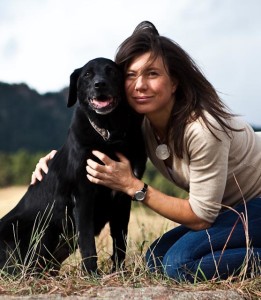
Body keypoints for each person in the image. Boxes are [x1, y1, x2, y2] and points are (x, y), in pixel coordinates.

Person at [31, 21, 261, 282]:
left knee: (180, 264)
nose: (139, 85)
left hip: (255, 202)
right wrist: (56, 161)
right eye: (131, 75)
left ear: (174, 82)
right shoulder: (142, 121)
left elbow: (201, 217)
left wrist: (133, 186)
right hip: (230, 209)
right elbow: (95, 141)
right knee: (155, 259)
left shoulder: (201, 129)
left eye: (152, 74)